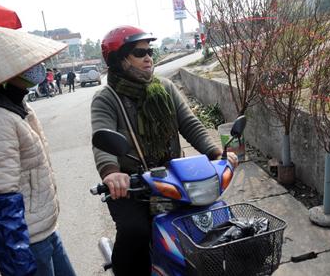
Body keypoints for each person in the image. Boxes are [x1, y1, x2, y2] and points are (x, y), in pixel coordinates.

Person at [90, 25, 238, 275]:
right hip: (132, 187)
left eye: (150, 51)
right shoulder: (107, 98)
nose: (148, 57)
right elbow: (102, 139)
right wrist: (112, 173)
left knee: (208, 222)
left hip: (172, 179)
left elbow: (190, 124)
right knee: (135, 231)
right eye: (139, 52)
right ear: (119, 59)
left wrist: (216, 154)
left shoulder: (165, 88)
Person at [0, 25, 77, 276]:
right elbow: (2, 197)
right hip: (28, 239)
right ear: (9, 71)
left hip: (44, 230)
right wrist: (18, 260)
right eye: (30, 63)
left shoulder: (15, 104)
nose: (39, 67)